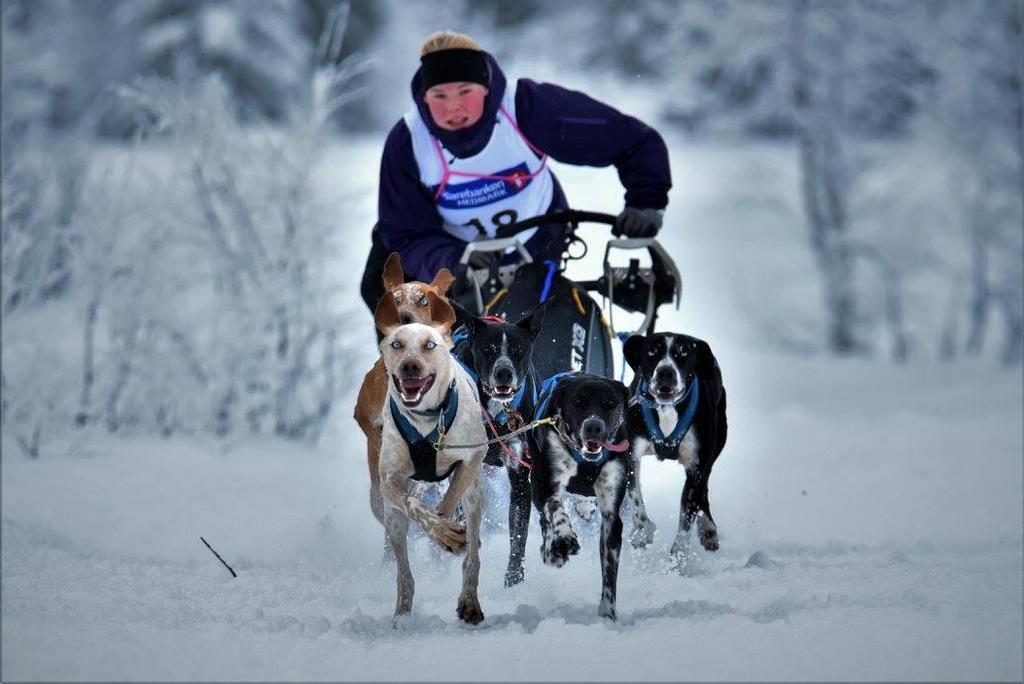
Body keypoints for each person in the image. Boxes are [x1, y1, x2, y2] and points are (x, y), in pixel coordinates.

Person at [360, 30, 671, 314]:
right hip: (452, 260)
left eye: (465, 92)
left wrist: (645, 202)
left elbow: (633, 141)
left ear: (485, 89)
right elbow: (406, 232)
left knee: (525, 343)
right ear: (424, 98)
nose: (453, 108)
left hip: (535, 244)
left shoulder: (526, 108)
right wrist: (454, 263)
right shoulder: (408, 141)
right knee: (383, 289)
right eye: (440, 96)